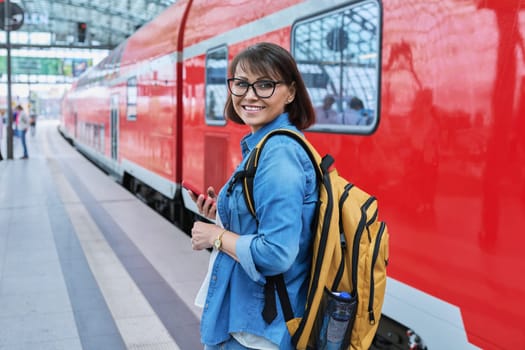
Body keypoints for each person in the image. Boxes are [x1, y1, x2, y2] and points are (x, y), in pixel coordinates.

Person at [189, 42, 318, 350]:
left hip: (258, 330)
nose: (249, 95)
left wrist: (215, 236)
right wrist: (221, 214)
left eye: (265, 85)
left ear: (290, 93)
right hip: (251, 321)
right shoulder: (265, 145)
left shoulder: (278, 154)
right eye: (241, 83)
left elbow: (276, 253)